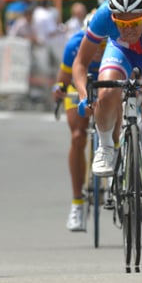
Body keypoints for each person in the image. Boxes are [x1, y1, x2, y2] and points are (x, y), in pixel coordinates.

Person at [71, 0, 142, 243]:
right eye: (121, 24)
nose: (127, 30)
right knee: (107, 92)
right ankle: (106, 146)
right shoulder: (104, 16)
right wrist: (85, 96)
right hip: (120, 54)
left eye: (134, 24)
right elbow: (81, 63)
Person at [52, 26, 103, 232]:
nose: (99, 48)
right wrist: (58, 90)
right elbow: (63, 81)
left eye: (103, 43)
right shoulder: (74, 45)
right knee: (77, 136)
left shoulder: (116, 41)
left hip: (106, 83)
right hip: (78, 85)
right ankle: (77, 202)